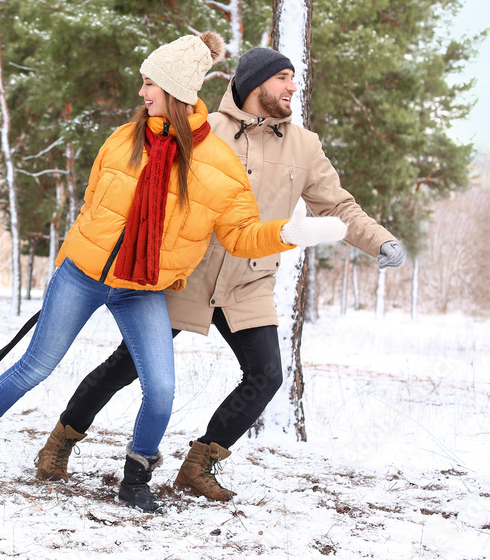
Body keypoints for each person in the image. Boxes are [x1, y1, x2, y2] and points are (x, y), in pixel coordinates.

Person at [0, 32, 349, 512]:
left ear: (174, 89)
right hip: (84, 275)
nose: (141, 92)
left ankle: (135, 478)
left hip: (143, 288)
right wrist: (87, 253)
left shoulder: (216, 163)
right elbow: (93, 202)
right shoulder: (124, 139)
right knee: (36, 366)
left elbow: (241, 235)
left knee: (161, 386)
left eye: (149, 83)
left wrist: (291, 233)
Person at [34, 46, 407, 502]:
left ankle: (199, 465)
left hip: (249, 280)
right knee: (126, 366)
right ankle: (61, 441)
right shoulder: (200, 130)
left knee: (266, 374)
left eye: (293, 79)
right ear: (255, 84)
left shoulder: (304, 146)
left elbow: (338, 205)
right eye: (284, 78)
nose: (293, 86)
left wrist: (380, 240)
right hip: (186, 273)